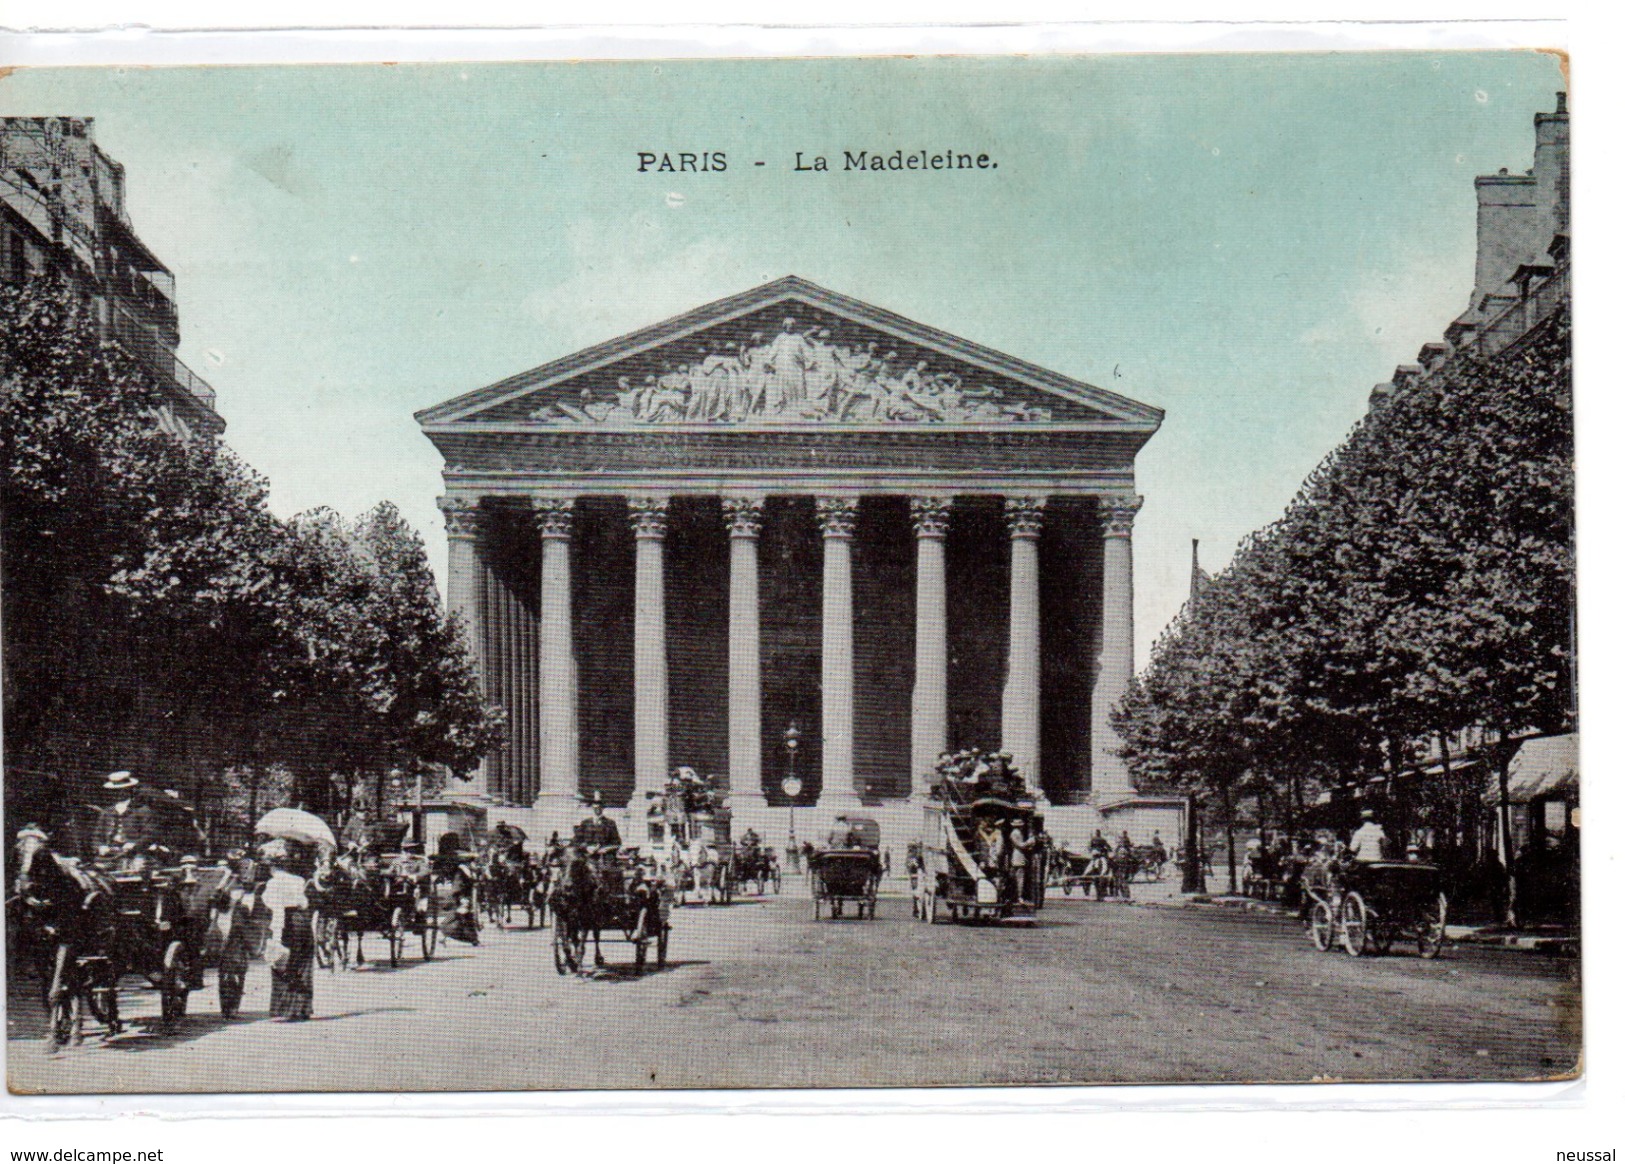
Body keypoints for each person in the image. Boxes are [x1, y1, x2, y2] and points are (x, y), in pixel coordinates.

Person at [257, 838, 314, 1021]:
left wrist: (277, 937)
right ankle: (302, 1009)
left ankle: (285, 1010)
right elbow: (305, 903)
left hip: (287, 924)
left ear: (271, 867)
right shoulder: (298, 880)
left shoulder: (273, 884)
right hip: (302, 922)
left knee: (282, 963)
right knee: (303, 964)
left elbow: (278, 910)